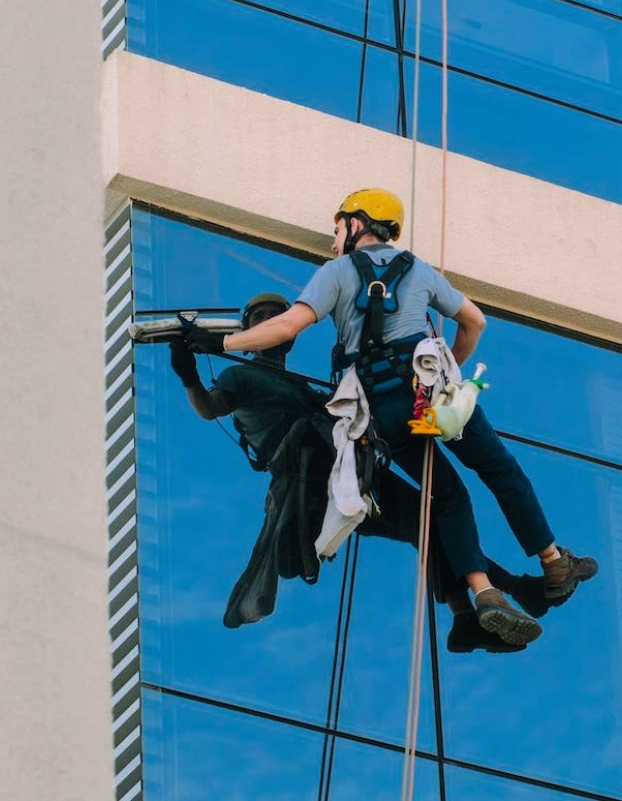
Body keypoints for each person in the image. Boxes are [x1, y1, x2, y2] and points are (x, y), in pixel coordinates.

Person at [183, 190, 597, 648]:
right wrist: (448, 376)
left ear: (358, 223)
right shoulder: (419, 270)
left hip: (382, 413)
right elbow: (475, 322)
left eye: (338, 227)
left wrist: (217, 343)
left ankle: (484, 592)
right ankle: (552, 560)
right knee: (500, 470)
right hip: (428, 395)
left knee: (447, 497)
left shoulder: (335, 274)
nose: (333, 238)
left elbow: (288, 326)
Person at [172, 292, 563, 653]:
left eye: (276, 318)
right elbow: (210, 407)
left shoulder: (304, 387)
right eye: (261, 318)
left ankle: (465, 614)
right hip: (314, 481)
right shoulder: (240, 376)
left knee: (427, 520)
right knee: (431, 516)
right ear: (248, 331)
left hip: (343, 470)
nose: (270, 322)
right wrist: (189, 375)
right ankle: (503, 591)